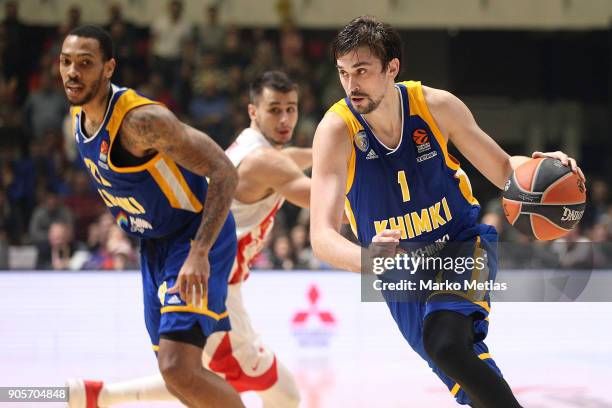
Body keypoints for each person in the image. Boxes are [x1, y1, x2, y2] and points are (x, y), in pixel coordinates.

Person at [309, 16, 586, 408]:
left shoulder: (435, 106)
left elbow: (504, 168)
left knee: (445, 343)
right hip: (399, 270)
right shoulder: (335, 132)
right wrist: (368, 260)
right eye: (343, 73)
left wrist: (542, 167)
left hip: (459, 244)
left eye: (362, 71)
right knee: (463, 374)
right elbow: (321, 237)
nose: (351, 85)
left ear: (392, 68)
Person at [67, 71, 311, 407]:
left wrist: (322, 152)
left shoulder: (249, 145)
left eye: (291, 109)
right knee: (282, 395)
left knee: (192, 374)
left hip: (201, 271)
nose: (285, 118)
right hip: (218, 286)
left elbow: (291, 157)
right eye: (275, 109)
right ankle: (104, 396)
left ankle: (98, 396)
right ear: (254, 111)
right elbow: (332, 207)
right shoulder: (266, 161)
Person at [59, 25, 243, 408]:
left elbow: (224, 170)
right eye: (66, 62)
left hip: (193, 234)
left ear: (108, 68)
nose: (73, 72)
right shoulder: (77, 120)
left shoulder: (141, 122)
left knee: (178, 367)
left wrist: (200, 252)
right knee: (173, 373)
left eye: (85, 63)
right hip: (154, 244)